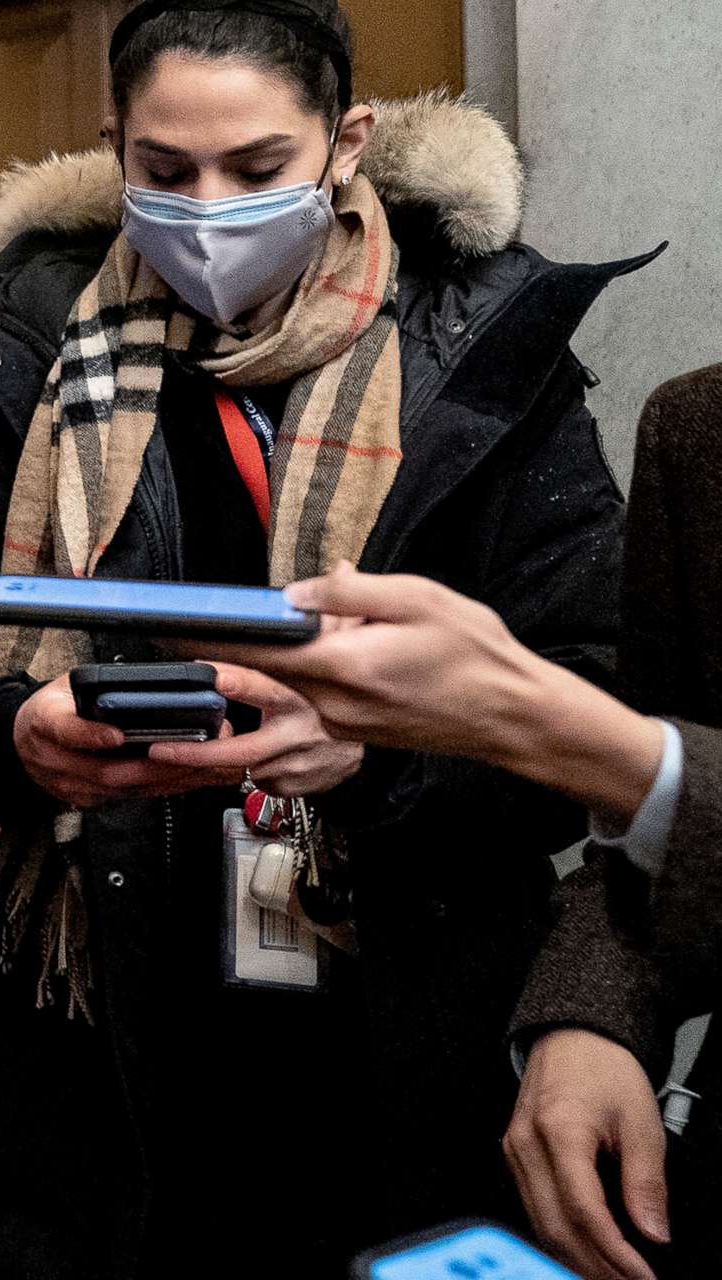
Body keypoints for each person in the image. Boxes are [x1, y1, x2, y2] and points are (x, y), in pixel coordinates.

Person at [0, 0, 653, 1276]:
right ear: (118, 151)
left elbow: (596, 706)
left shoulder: (488, 364)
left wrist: (377, 760)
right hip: (92, 1049)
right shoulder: (35, 356)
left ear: (347, 143)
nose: (208, 209)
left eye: (256, 169)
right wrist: (16, 740)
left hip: (396, 1035)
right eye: (164, 176)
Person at [210, 369, 722, 1280]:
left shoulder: (512, 368)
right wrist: (596, 1014)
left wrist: (523, 714)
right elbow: (639, 841)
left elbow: (632, 754)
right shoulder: (698, 426)